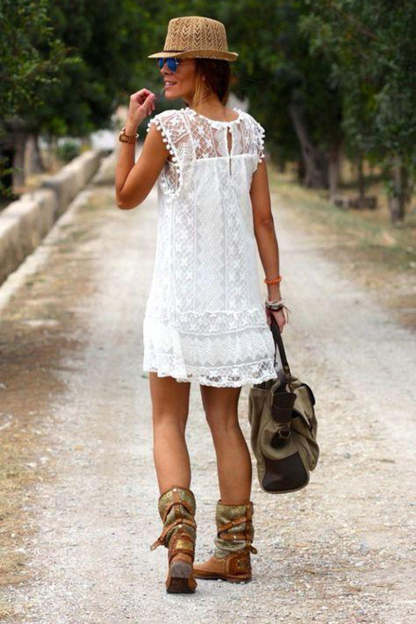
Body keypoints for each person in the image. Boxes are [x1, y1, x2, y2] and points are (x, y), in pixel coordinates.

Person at [115, 15, 288, 594]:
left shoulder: (167, 130)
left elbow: (125, 197)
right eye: (163, 63)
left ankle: (181, 547)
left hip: (178, 301)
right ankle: (234, 554)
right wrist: (273, 293)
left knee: (167, 419)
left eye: (174, 63)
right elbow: (264, 220)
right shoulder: (250, 133)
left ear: (203, 67)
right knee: (224, 423)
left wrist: (128, 132)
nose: (165, 71)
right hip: (233, 305)